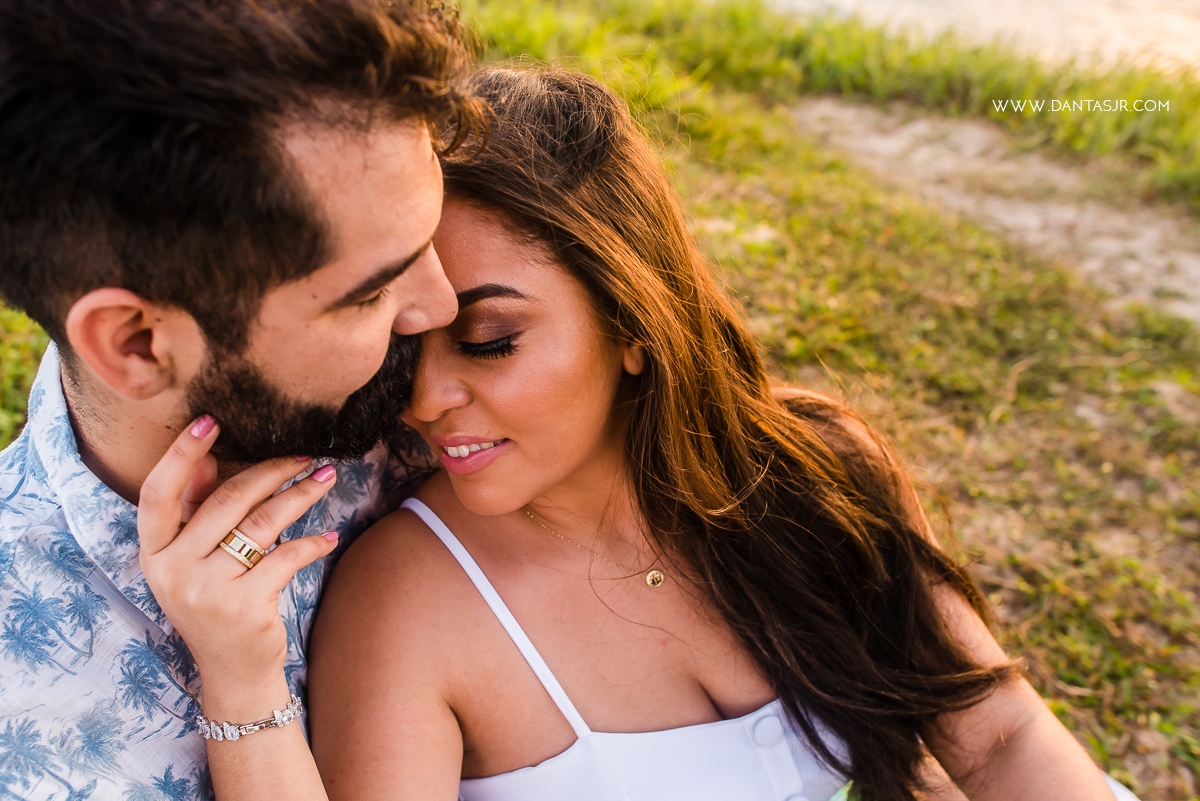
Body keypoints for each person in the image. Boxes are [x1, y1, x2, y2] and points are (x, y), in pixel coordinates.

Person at [139, 68, 1136, 801]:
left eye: (488, 340)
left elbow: (999, 738)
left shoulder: (814, 479)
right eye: (409, 347)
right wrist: (239, 671)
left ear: (632, 323)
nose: (427, 399)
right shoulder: (411, 602)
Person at [0, 1, 483, 798]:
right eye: (368, 294)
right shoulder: (29, 717)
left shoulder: (446, 396)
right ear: (137, 343)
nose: (440, 306)